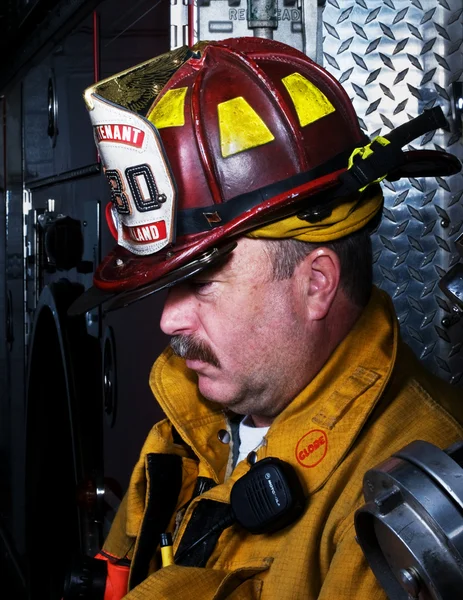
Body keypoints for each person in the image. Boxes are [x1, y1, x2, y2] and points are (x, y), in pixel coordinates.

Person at [70, 37, 463, 599]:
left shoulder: (414, 506)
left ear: (315, 284)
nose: (168, 320)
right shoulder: (187, 431)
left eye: (201, 283)